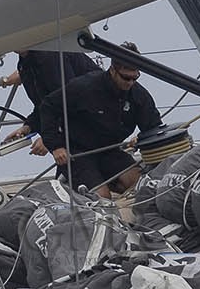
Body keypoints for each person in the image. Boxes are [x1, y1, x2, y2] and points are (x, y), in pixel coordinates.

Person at [36, 42, 162, 197]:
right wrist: (55, 146)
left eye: (135, 78)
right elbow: (48, 106)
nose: (130, 83)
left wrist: (142, 138)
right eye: (126, 77)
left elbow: (154, 128)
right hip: (78, 154)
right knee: (101, 197)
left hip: (110, 151)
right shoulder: (85, 86)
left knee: (143, 184)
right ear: (113, 70)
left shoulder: (139, 96)